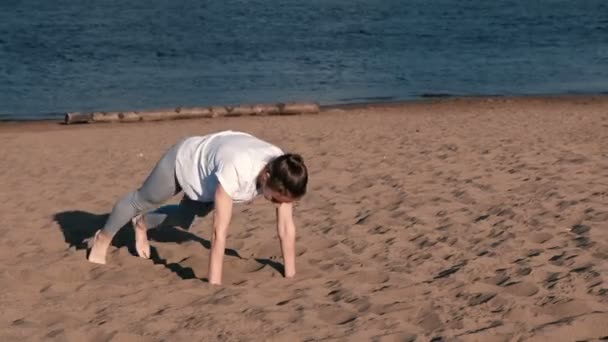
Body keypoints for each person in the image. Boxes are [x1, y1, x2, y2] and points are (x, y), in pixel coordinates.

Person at [87, 130, 308, 285]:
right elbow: (218, 233)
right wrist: (214, 283)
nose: (279, 204)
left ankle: (141, 224)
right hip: (185, 159)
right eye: (278, 199)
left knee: (185, 220)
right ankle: (103, 239)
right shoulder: (238, 169)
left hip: (210, 176)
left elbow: (286, 228)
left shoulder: (283, 169)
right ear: (267, 175)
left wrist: (290, 274)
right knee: (143, 200)